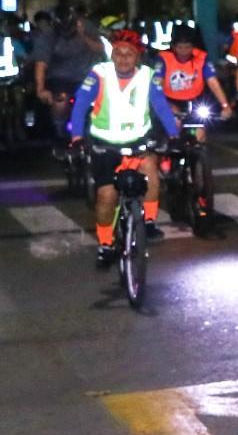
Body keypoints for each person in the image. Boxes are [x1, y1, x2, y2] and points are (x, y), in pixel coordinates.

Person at [68, 29, 181, 261]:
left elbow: (160, 106)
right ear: (112, 55)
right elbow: (80, 106)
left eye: (129, 54)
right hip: (105, 145)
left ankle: (148, 222)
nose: (123, 58)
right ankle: (106, 243)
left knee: (151, 171)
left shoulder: (148, 76)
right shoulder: (99, 74)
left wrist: (173, 134)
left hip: (138, 142)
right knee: (107, 195)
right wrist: (77, 137)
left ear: (137, 56)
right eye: (118, 53)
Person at [32, 4, 105, 147]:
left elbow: (100, 49)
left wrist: (83, 35)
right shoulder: (48, 35)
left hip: (87, 75)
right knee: (60, 101)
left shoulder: (86, 27)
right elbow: (41, 63)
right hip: (60, 78)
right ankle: (60, 134)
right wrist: (40, 89)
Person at [154, 25, 234, 141]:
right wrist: (166, 106)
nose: (184, 51)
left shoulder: (201, 58)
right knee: (171, 131)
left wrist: (225, 105)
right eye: (180, 47)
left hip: (195, 101)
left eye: (187, 47)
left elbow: (212, 82)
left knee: (200, 134)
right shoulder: (163, 59)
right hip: (171, 101)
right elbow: (157, 84)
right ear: (173, 47)